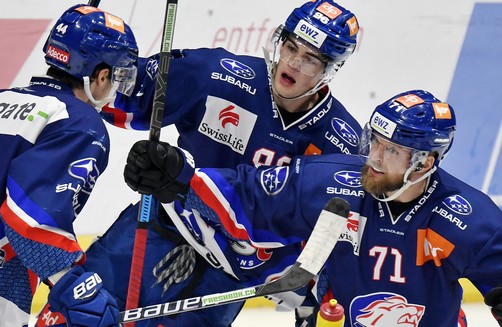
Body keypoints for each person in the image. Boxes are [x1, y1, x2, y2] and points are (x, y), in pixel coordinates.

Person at [37, 1, 362, 326]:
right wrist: (81, 65)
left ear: (330, 70)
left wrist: (324, 288)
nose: (292, 62)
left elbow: (341, 232)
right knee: (78, 314)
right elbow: (125, 87)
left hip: (234, 274)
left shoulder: (341, 143)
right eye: (290, 47)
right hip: (167, 223)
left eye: (309, 60)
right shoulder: (218, 75)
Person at [124, 89, 502, 326]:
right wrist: (177, 179)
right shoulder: (330, 181)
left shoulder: (465, 216)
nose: (374, 157)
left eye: (392, 151)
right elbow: (251, 197)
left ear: (424, 163)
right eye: (375, 141)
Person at [0, 4, 138, 327]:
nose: (116, 89)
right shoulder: (80, 122)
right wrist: (78, 288)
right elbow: (30, 221)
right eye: (118, 76)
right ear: (101, 74)